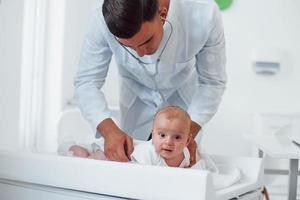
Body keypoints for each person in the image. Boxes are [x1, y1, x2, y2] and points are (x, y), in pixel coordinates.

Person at [75, 0, 227, 165]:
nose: (141, 54)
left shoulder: (204, 14)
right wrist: (108, 130)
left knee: (177, 169)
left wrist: (183, 134)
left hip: (185, 108)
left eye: (146, 41)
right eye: (130, 48)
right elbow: (87, 82)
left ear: (162, 14)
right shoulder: (101, 16)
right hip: (135, 103)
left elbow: (212, 83)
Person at [64, 106, 195, 168]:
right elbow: (134, 174)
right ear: (153, 136)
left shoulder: (186, 154)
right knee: (87, 163)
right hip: (111, 154)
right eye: (162, 135)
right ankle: (71, 147)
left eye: (177, 137)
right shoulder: (149, 153)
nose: (168, 142)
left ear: (187, 141)